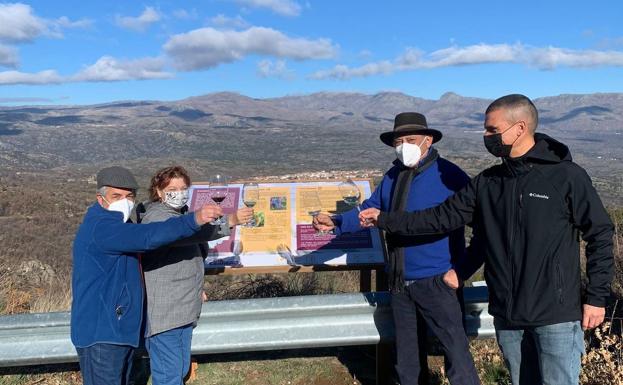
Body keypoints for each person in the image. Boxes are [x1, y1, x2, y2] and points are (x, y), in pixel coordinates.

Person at [359, 94, 614, 385]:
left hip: (555, 314)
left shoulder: (566, 177)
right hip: (507, 314)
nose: (485, 136)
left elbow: (600, 234)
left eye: (492, 130)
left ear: (519, 129)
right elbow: (439, 217)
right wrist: (384, 219)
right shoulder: (488, 182)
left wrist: (596, 298)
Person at [313, 112, 481, 385]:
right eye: (399, 141)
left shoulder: (450, 176)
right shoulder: (393, 177)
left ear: (428, 140)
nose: (404, 146)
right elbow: (369, 211)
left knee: (457, 357)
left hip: (438, 282)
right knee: (407, 360)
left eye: (411, 139)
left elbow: (481, 223)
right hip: (401, 282)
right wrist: (336, 221)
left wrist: (461, 271)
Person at [71, 166, 224, 385]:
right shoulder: (103, 228)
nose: (124, 201)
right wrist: (194, 219)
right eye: (117, 196)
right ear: (101, 198)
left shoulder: (120, 224)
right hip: (101, 332)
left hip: (118, 328)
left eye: (129, 196)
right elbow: (150, 236)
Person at [140, 166, 253, 385]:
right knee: (168, 375)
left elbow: (187, 255)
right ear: (158, 190)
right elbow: (183, 235)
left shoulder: (179, 214)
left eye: (184, 188)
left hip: (183, 307)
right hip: (165, 313)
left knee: (180, 369)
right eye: (172, 188)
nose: (179, 192)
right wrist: (229, 221)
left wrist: (196, 287)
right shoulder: (156, 217)